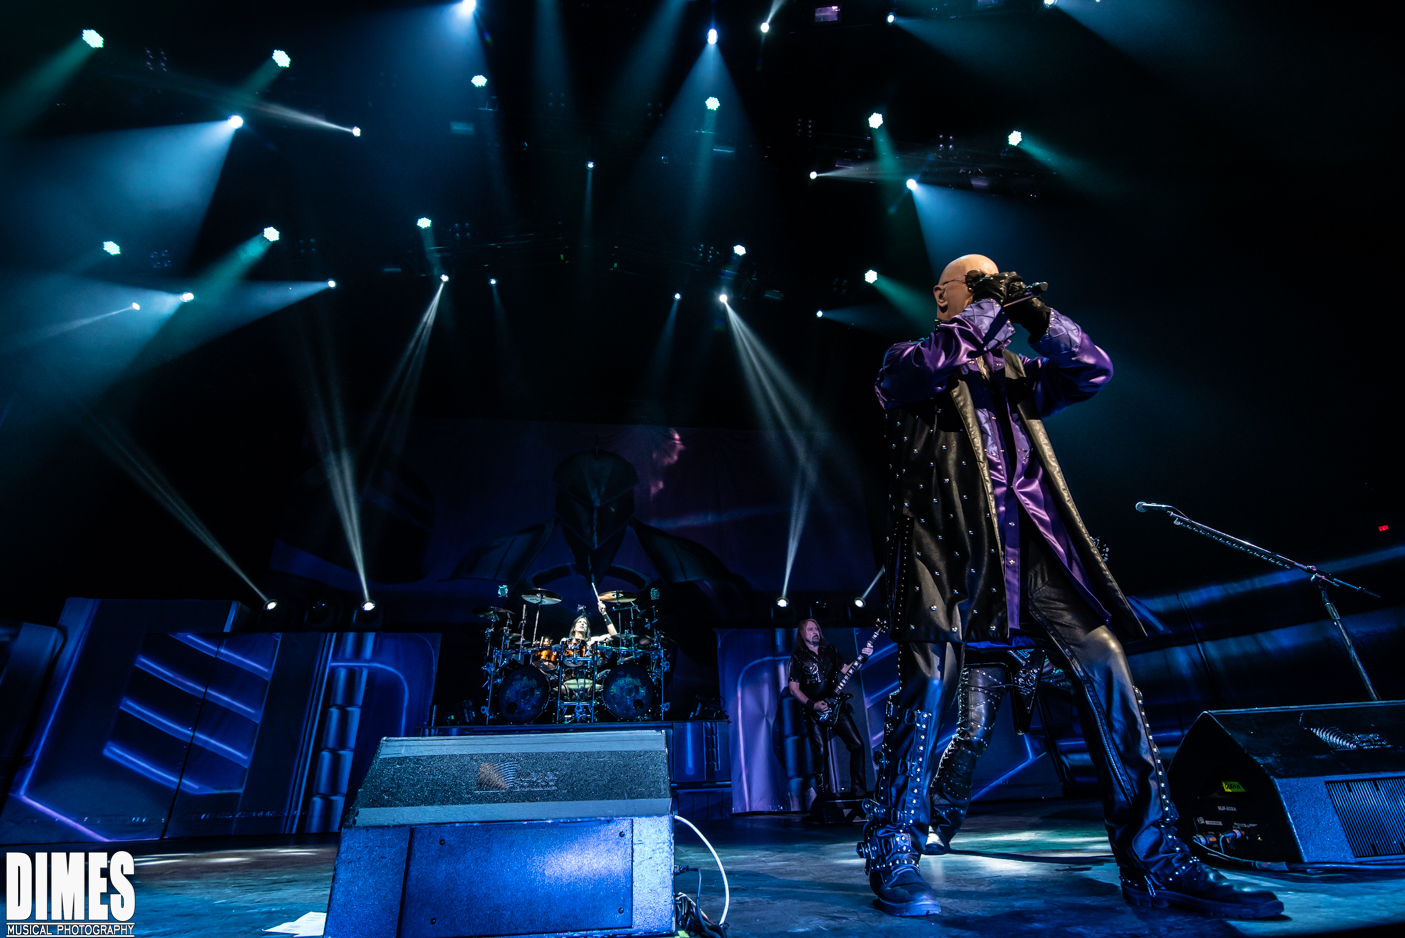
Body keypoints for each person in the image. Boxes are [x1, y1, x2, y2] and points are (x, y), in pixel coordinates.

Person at [856, 254, 1283, 920]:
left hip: (1031, 547)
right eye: (979, 285)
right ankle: (893, 850)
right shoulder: (909, 360)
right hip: (945, 552)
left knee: (1104, 662)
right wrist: (983, 310)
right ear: (944, 297)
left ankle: (1155, 858)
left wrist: (1034, 314)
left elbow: (1091, 369)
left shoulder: (1017, 374)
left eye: (997, 286)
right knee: (929, 689)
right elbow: (927, 368)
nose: (993, 295)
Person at [787, 619, 873, 798]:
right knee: (820, 753)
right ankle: (824, 797)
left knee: (857, 745)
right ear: (802, 634)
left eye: (817, 628)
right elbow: (794, 688)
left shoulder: (830, 650)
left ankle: (859, 792)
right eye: (810, 629)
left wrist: (864, 657)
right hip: (813, 710)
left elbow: (847, 669)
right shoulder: (798, 657)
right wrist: (812, 705)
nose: (815, 632)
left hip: (835, 704)